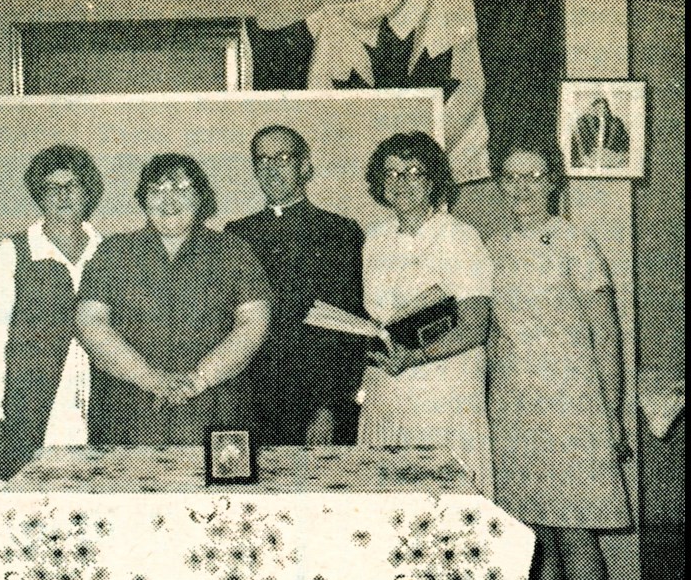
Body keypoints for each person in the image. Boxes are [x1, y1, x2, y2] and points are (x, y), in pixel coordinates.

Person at [487, 137, 631, 580]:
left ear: (552, 184)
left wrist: (612, 414)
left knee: (576, 536)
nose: (522, 187)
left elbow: (606, 333)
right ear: (500, 186)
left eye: (534, 177)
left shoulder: (574, 240)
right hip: (513, 406)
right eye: (512, 178)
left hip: (573, 403)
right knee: (534, 539)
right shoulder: (494, 245)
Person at [0, 144, 105, 580]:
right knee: (1, 517)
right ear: (37, 196)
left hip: (90, 400)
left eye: (73, 186)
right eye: (51, 187)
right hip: (24, 402)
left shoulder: (106, 249)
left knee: (73, 519)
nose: (63, 196)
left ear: (89, 193)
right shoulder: (14, 250)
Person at [77, 153, 270, 445]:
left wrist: (199, 379)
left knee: (219, 491)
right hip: (130, 413)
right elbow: (90, 322)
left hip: (217, 409)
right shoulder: (113, 252)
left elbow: (254, 323)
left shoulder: (234, 251)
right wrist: (150, 378)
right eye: (157, 191)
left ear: (200, 197)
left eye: (181, 189)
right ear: (143, 199)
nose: (169, 201)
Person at [356, 131, 494, 496]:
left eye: (413, 172)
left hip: (441, 393)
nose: (400, 182)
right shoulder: (374, 239)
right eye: (391, 173)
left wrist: (415, 356)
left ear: (433, 180)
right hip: (386, 388)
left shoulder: (459, 237)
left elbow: (475, 326)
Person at [224, 125, 365, 445]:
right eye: (262, 160)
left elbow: (349, 326)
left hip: (315, 401)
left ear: (305, 167)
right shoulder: (236, 234)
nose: (271, 167)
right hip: (248, 401)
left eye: (283, 157)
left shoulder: (339, 231)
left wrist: (330, 407)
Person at [570, 97, 630, 169]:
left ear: (608, 109)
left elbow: (625, 141)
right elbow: (577, 143)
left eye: (604, 108)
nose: (601, 111)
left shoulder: (616, 122)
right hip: (590, 157)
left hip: (612, 156)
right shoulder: (583, 122)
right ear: (593, 108)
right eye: (597, 108)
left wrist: (616, 154)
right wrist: (587, 155)